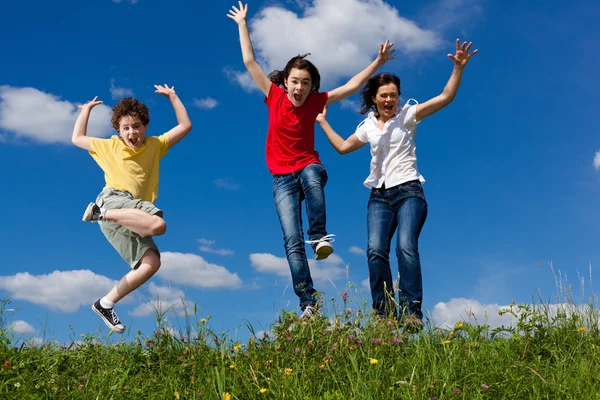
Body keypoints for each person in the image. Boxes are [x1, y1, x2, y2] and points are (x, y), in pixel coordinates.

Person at [227, 1, 394, 319]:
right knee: (291, 240)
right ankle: (308, 303)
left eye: (305, 82)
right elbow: (249, 61)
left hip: (307, 165)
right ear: (285, 82)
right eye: (294, 81)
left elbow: (352, 85)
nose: (299, 87)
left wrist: (377, 61)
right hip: (280, 178)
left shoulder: (317, 100)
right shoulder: (273, 95)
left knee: (314, 177)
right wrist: (242, 24)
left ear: (311, 86)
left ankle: (319, 236)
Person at [316, 39, 478, 327]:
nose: (390, 100)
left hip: (409, 192)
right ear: (374, 98)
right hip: (379, 196)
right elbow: (342, 147)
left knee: (405, 247)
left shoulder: (408, 116)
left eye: (394, 95)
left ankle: (412, 313)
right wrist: (323, 121)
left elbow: (445, 97)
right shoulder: (367, 125)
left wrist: (458, 69)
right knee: (375, 251)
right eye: (384, 96)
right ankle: (383, 316)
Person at [71, 85, 192, 333]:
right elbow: (77, 139)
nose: (132, 132)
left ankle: (105, 303)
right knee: (158, 224)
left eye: (136, 126)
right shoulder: (110, 146)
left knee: (151, 262)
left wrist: (173, 97)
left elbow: (185, 126)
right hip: (113, 200)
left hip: (127, 215)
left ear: (145, 127)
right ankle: (99, 213)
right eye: (126, 128)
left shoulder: (155, 145)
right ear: (119, 131)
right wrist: (85, 111)